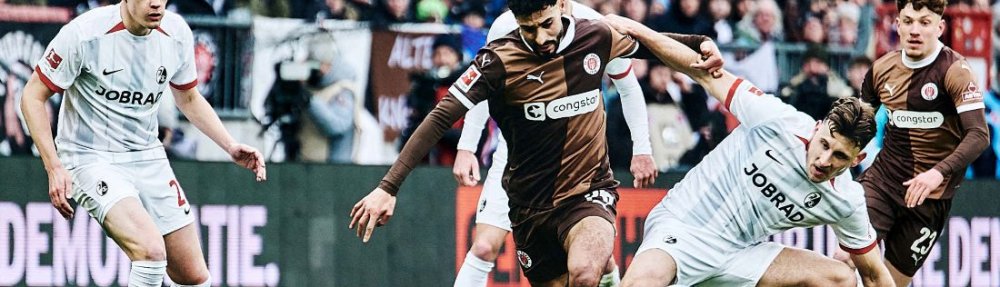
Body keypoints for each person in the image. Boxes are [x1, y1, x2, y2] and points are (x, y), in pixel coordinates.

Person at [348, 0, 719, 285]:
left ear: (560, 5)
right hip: (530, 207)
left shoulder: (595, 34)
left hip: (587, 190)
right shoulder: (498, 58)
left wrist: (701, 44)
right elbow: (442, 115)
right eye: (529, 29)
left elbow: (654, 46)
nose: (541, 37)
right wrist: (388, 186)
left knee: (585, 273)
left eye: (546, 24)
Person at [599, 15, 894, 286]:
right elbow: (699, 72)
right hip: (686, 225)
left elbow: (873, 272)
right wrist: (637, 30)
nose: (824, 160)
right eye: (825, 145)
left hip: (742, 255)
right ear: (817, 128)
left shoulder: (846, 199)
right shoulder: (777, 120)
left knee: (840, 279)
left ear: (858, 159)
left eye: (840, 157)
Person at [19, 0, 267, 286]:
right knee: (150, 253)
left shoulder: (176, 33)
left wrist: (230, 146)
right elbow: (32, 96)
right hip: (89, 157)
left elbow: (188, 98)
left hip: (147, 155)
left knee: (193, 277)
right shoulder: (85, 33)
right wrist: (54, 166)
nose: (155, 3)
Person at [854, 0, 990, 285]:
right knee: (844, 259)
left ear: (939, 27)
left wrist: (936, 173)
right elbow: (859, 123)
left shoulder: (956, 71)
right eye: (909, 21)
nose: (915, 30)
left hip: (931, 199)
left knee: (887, 282)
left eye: (925, 22)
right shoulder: (881, 69)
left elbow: (979, 135)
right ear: (897, 25)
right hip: (882, 182)